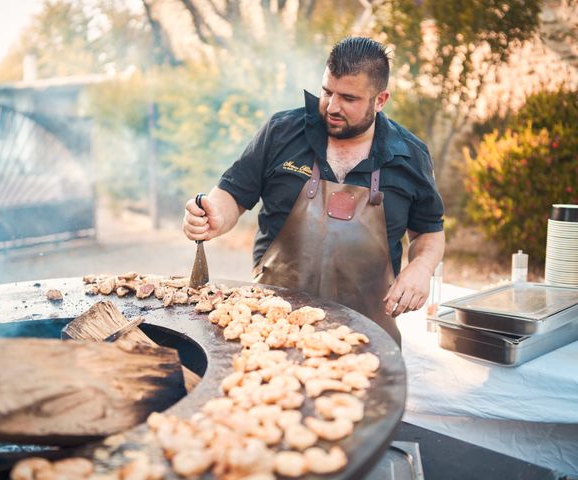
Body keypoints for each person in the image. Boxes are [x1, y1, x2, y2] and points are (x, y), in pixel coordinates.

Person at [182, 36, 445, 346]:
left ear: (380, 100)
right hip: (271, 328)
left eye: (349, 98)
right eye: (327, 91)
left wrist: (422, 267)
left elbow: (428, 232)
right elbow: (232, 195)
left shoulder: (409, 155)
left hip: (366, 337)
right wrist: (213, 215)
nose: (332, 106)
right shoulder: (281, 132)